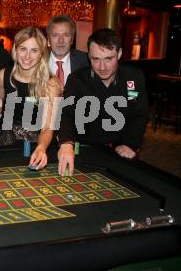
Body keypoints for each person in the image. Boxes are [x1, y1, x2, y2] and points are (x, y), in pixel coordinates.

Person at [57, 28, 148, 176]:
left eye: (108, 59)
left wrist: (130, 144)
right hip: (85, 148)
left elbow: (139, 114)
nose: (102, 67)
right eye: (96, 59)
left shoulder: (133, 78)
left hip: (119, 150)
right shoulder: (76, 79)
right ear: (89, 57)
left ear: (119, 54)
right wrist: (66, 142)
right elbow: (66, 114)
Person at [0, 27, 61, 169]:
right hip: (6, 144)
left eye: (34, 50)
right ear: (15, 49)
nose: (27, 56)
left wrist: (41, 148)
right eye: (23, 49)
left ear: (41, 54)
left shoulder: (51, 84)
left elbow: (47, 128)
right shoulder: (3, 75)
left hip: (37, 145)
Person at [47, 15, 88, 89]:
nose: (60, 41)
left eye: (66, 35)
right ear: (48, 39)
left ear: (72, 39)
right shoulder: (37, 60)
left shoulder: (86, 61)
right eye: (55, 35)